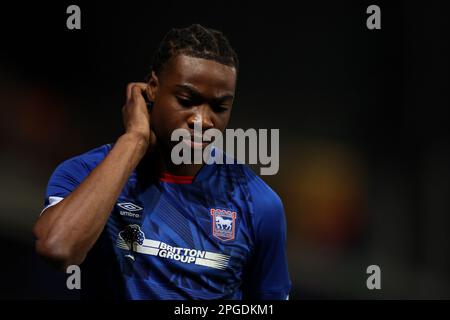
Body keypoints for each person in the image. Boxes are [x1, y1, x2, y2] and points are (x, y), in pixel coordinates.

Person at [33, 24, 291, 300]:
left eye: (219, 107)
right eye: (186, 100)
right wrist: (134, 140)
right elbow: (58, 248)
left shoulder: (258, 204)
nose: (202, 120)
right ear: (152, 89)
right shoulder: (85, 173)